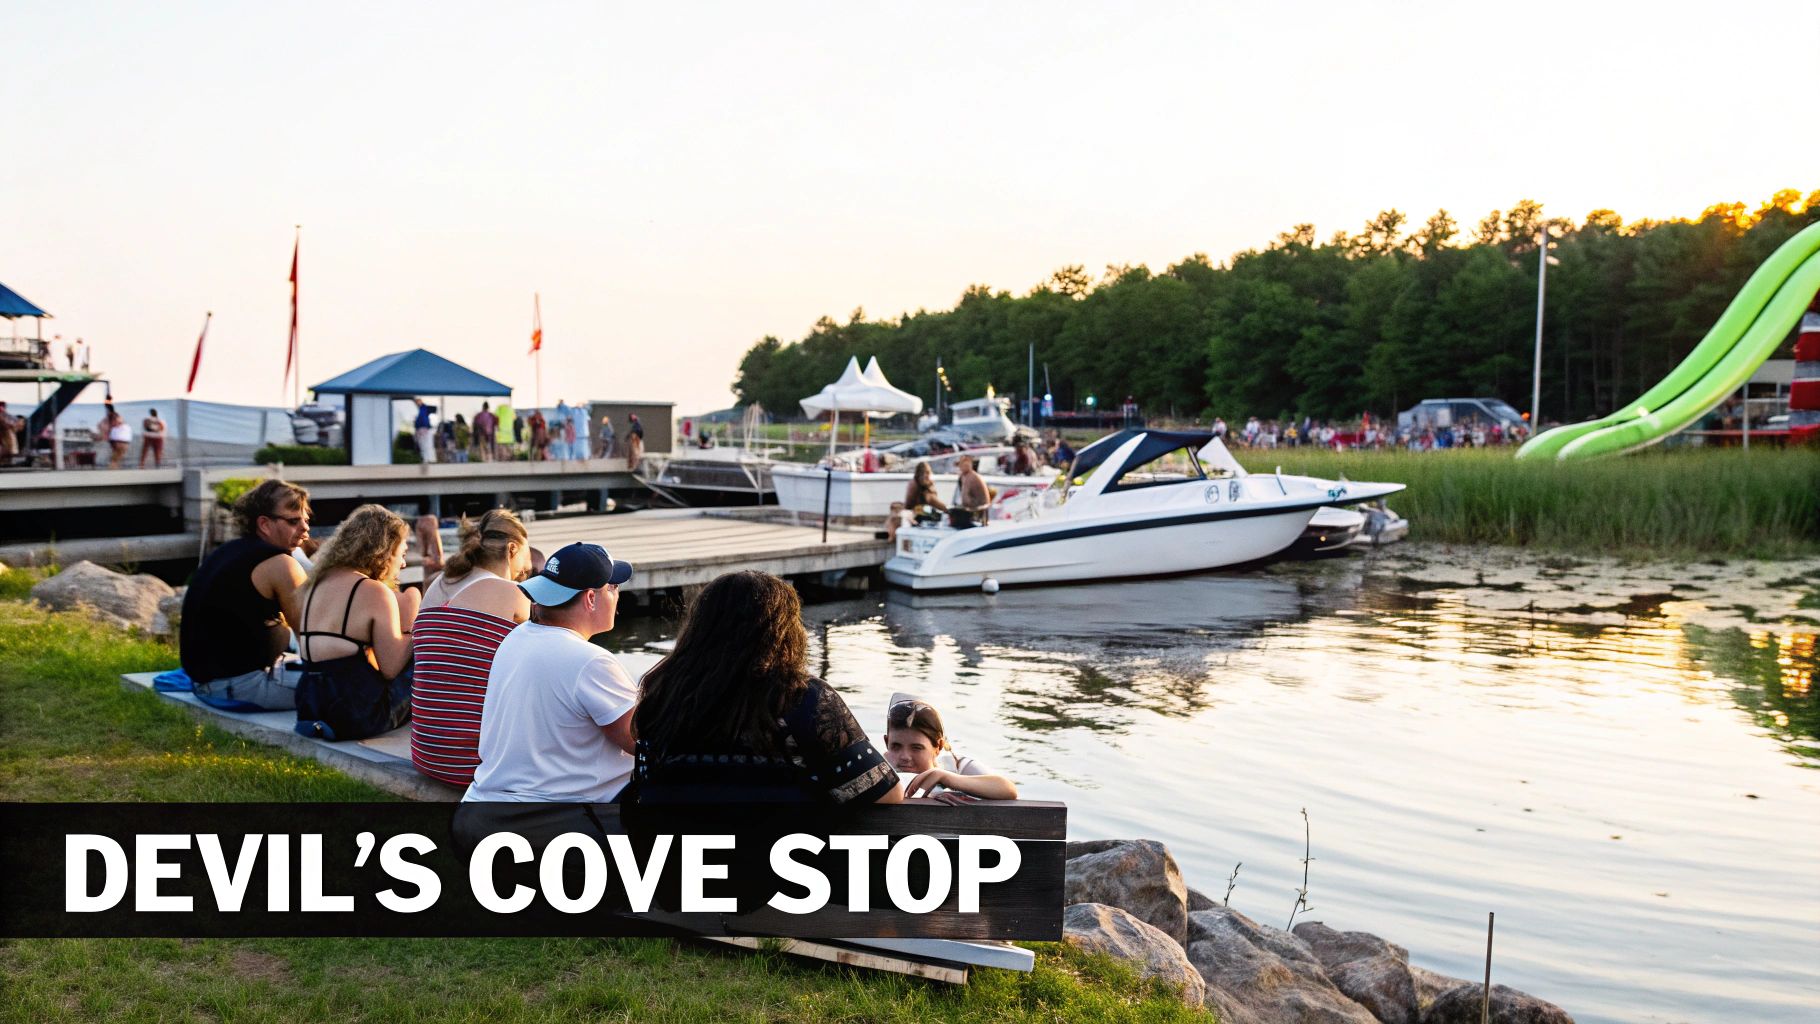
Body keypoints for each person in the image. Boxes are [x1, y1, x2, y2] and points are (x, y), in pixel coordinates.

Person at [631, 571, 901, 805]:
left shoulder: (662, 694)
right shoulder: (805, 698)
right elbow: (883, 792)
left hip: (679, 858)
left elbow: (645, 785)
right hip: (780, 859)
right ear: (785, 632)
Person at [463, 542, 639, 802]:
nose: (617, 595)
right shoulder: (590, 662)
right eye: (612, 587)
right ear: (591, 598)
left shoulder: (516, 637)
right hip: (549, 819)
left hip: (481, 805)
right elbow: (642, 741)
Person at [411, 510, 533, 786]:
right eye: (525, 552)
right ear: (512, 548)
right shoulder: (513, 593)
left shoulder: (436, 585)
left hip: (428, 753)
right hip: (474, 762)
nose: (526, 563)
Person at [180, 479, 312, 710]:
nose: (305, 528)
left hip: (208, 682)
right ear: (265, 524)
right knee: (357, 687)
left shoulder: (228, 551)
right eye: (293, 521)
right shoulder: (281, 565)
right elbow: (312, 637)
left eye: (305, 520)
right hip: (240, 687)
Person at [293, 504, 420, 740]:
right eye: (401, 554)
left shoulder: (317, 582)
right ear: (385, 550)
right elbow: (392, 668)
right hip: (355, 713)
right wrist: (413, 619)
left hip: (310, 705)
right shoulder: (371, 590)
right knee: (422, 663)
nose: (402, 564)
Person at [884, 693, 1018, 804]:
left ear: (939, 746)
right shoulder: (879, 767)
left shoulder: (957, 766)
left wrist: (946, 778)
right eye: (896, 746)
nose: (905, 757)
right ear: (886, 742)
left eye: (917, 747)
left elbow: (1008, 790)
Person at [951, 454, 992, 527]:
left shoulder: (970, 477)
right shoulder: (965, 476)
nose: (961, 467)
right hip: (978, 510)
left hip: (978, 512)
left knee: (955, 513)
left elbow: (966, 499)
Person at [99, 404, 130, 468]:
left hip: (115, 438)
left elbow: (101, 425)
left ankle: (114, 466)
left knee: (116, 453)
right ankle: (113, 466)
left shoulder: (111, 416)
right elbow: (119, 422)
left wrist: (106, 432)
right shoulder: (114, 416)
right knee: (117, 453)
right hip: (117, 438)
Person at [413, 399, 436, 463]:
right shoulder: (422, 409)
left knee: (424, 444)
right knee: (425, 444)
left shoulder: (423, 409)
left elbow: (422, 419)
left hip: (423, 429)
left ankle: (426, 459)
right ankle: (427, 458)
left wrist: (419, 426)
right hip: (423, 428)